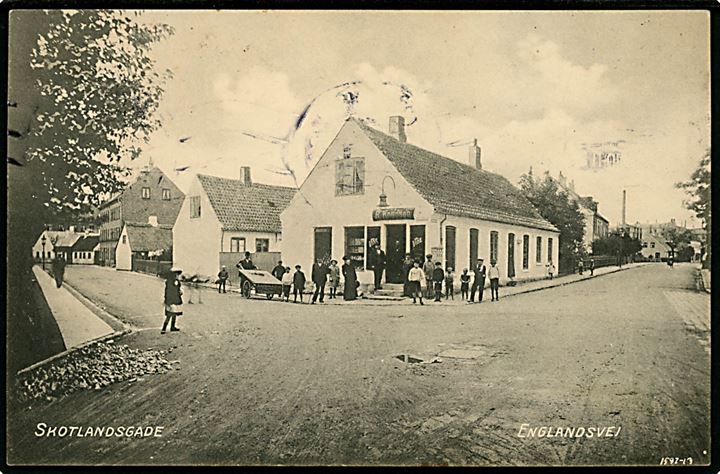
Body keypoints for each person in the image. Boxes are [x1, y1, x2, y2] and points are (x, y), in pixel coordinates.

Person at [162, 267, 183, 334]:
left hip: (173, 299)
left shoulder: (171, 281)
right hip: (172, 300)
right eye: (176, 274)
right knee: (170, 314)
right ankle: (164, 328)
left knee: (174, 313)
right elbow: (171, 291)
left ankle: (172, 326)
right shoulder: (173, 282)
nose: (177, 276)